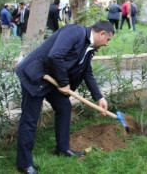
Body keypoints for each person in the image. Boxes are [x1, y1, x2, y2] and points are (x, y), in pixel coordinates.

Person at [15, 21, 114, 174]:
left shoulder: (88, 48)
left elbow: (87, 73)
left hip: (52, 80)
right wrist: (64, 82)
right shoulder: (75, 32)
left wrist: (99, 98)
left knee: (64, 107)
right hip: (35, 76)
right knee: (30, 119)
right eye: (108, 40)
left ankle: (62, 149)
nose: (107, 44)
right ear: (102, 34)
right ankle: (24, 163)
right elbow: (55, 55)